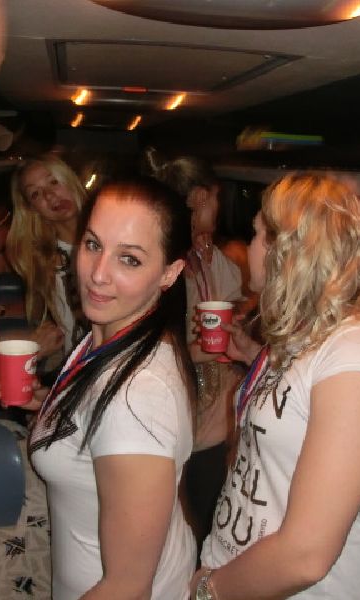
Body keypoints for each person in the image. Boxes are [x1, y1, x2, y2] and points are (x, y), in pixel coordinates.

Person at [193, 173, 360, 600]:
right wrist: (255, 358)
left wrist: (208, 590)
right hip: (237, 574)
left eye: (257, 234)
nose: (250, 247)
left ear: (286, 247)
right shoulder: (302, 339)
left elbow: (305, 556)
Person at [25, 178, 197, 599]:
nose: (98, 274)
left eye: (129, 259)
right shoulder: (107, 335)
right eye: (93, 245)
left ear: (170, 273)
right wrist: (48, 406)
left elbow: (127, 587)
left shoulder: (138, 396)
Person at [144, 148, 248, 550]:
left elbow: (230, 304)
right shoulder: (165, 267)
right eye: (216, 198)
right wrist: (198, 350)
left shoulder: (213, 257)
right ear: (202, 196)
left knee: (218, 513)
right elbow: (149, 348)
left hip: (220, 413)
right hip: (184, 410)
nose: (218, 208)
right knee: (186, 523)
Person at [7, 154, 88, 370]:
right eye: (35, 194)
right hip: (75, 369)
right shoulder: (41, 261)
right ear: (32, 209)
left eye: (53, 182)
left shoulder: (113, 239)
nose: (50, 195)